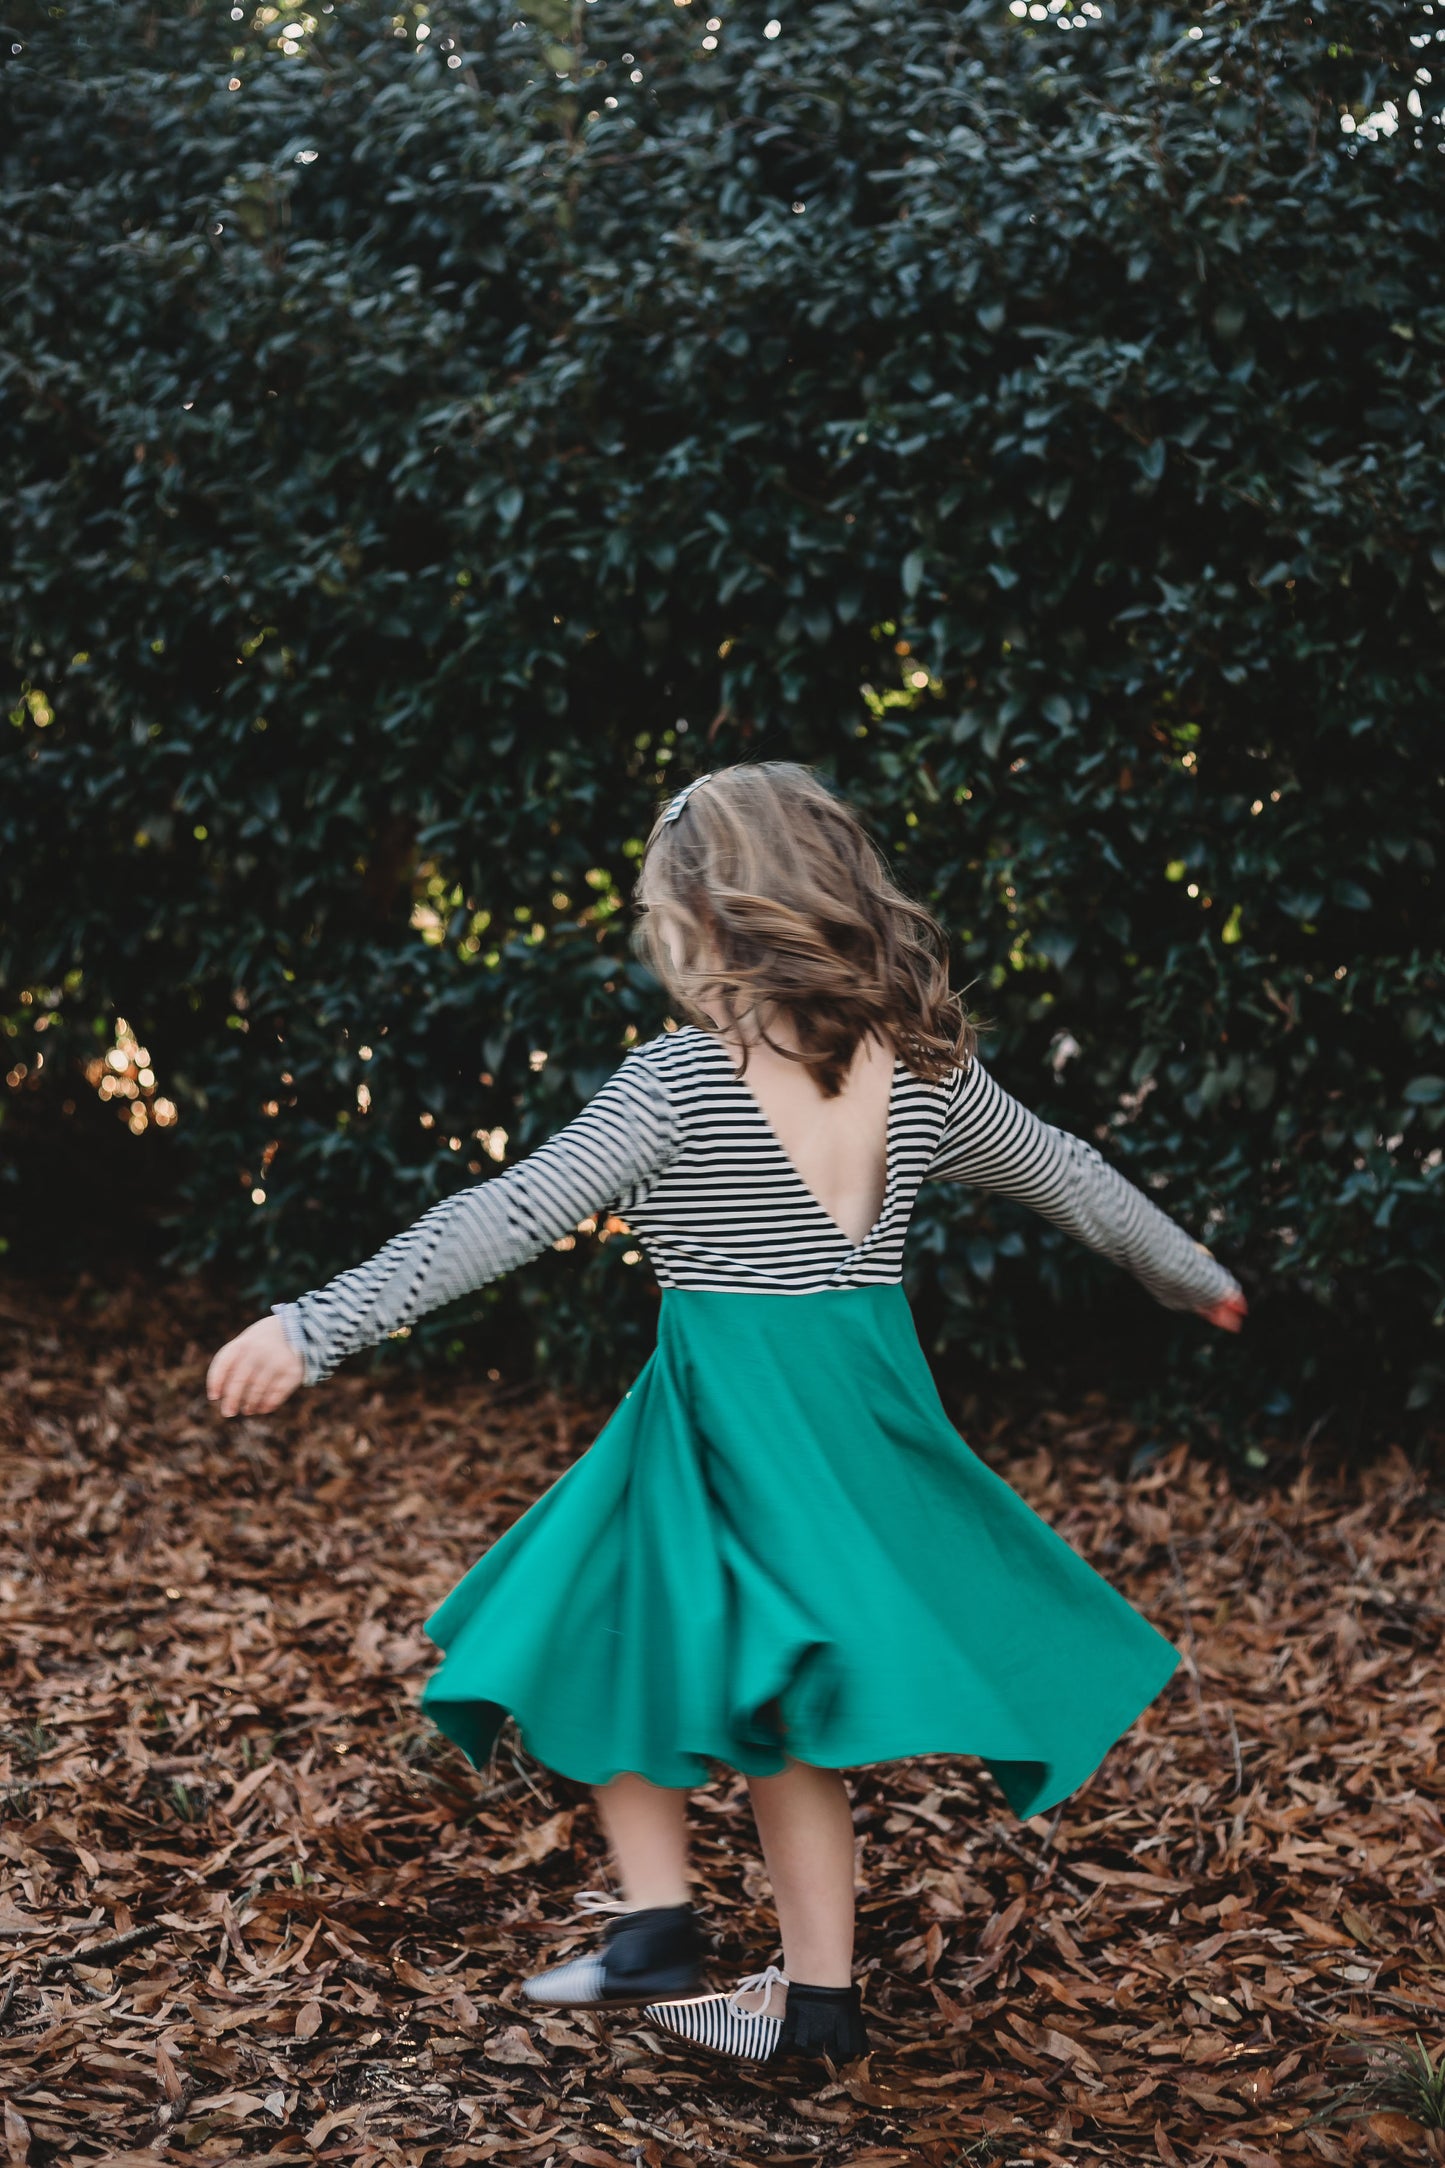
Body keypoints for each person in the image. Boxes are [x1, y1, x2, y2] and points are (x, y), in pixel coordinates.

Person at [207, 762, 1245, 2069]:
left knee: (605, 1618)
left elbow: (513, 1211)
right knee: (750, 1690)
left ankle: (662, 1929)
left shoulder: (677, 1084)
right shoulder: (923, 1074)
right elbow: (1069, 1175)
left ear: (707, 921)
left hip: (726, 1424)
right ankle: (807, 2000)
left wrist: (314, 1325)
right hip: (853, 1424)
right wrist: (1186, 1271)